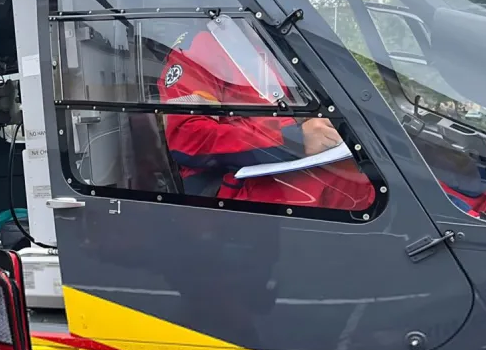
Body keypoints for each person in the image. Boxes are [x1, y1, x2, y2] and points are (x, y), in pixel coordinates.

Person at [157, 17, 375, 210]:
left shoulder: (273, 40)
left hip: (279, 162)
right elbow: (188, 139)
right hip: (224, 182)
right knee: (347, 191)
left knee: (370, 175)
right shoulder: (197, 50)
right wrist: (294, 139)